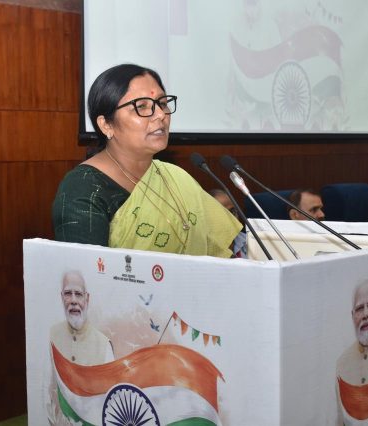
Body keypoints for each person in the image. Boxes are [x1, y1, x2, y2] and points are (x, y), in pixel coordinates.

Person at [52, 64, 241, 257]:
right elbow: (87, 277)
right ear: (106, 124)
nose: (161, 115)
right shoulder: (83, 189)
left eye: (162, 103)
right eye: (142, 106)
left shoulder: (175, 177)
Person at [49, 271, 114, 365]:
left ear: (87, 299)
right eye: (68, 293)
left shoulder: (104, 346)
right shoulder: (52, 335)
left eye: (78, 294)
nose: (73, 301)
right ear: (62, 297)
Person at [209, 189, 247, 258]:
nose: (230, 216)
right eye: (222, 212)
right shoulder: (204, 246)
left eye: (232, 211)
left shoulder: (250, 241)